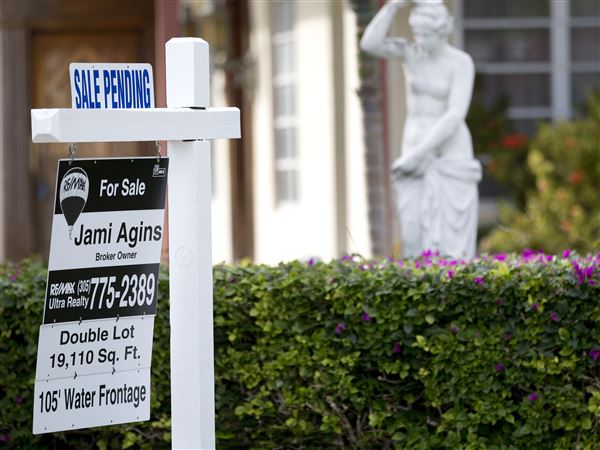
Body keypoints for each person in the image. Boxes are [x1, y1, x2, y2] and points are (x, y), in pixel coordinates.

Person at [360, 0, 482, 258]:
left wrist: (417, 155)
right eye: (417, 34)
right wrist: (393, 6)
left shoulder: (460, 63)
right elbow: (369, 44)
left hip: (448, 156)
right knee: (412, 238)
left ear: (442, 32)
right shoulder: (411, 53)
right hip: (413, 152)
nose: (421, 41)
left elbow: (454, 115)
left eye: (427, 35)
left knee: (452, 249)